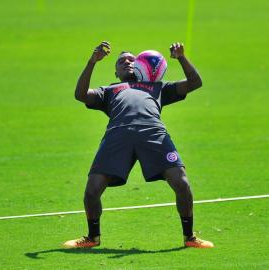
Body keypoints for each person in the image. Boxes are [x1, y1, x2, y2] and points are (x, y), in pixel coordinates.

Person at [63, 41, 214, 249]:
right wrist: (92, 62)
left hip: (153, 133)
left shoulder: (159, 87)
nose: (126, 61)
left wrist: (181, 57)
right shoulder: (109, 90)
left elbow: (195, 82)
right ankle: (92, 238)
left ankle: (189, 238)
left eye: (131, 59)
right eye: (121, 61)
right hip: (117, 137)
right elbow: (80, 95)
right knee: (91, 191)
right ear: (116, 72)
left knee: (182, 184)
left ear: (142, 64)